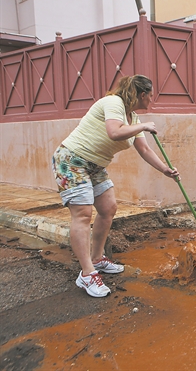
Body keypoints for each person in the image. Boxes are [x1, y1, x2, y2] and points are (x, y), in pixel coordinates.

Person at [51, 75, 180, 297]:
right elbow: (114, 132)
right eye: (151, 95)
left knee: (108, 208)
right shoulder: (114, 103)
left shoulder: (133, 116)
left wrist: (165, 170)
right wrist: (143, 125)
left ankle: (97, 259)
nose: (152, 99)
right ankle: (87, 274)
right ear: (142, 94)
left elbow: (145, 150)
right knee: (83, 214)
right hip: (72, 160)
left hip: (95, 165)